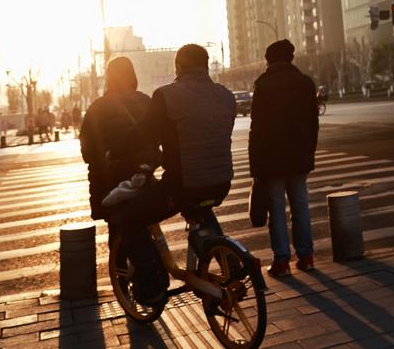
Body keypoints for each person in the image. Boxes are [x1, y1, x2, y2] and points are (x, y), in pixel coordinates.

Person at [111, 44, 236, 305]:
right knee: (200, 208)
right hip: (221, 182)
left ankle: (151, 284)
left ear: (177, 67)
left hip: (183, 185)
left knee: (130, 217)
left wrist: (116, 152)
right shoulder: (226, 95)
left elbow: (144, 133)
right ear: (206, 65)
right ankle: (231, 268)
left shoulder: (167, 95)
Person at [248, 39, 319, 278]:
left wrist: (255, 166)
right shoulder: (305, 83)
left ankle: (282, 262)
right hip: (299, 156)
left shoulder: (264, 86)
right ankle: (307, 257)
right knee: (300, 204)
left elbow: (256, 130)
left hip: (272, 159)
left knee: (276, 207)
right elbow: (313, 123)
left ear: (269, 60)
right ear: (290, 58)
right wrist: (310, 152)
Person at [78, 57, 152, 221]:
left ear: (109, 78)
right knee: (147, 219)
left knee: (118, 228)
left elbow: (87, 152)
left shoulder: (97, 107)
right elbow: (159, 136)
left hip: (110, 181)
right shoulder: (146, 102)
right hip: (143, 175)